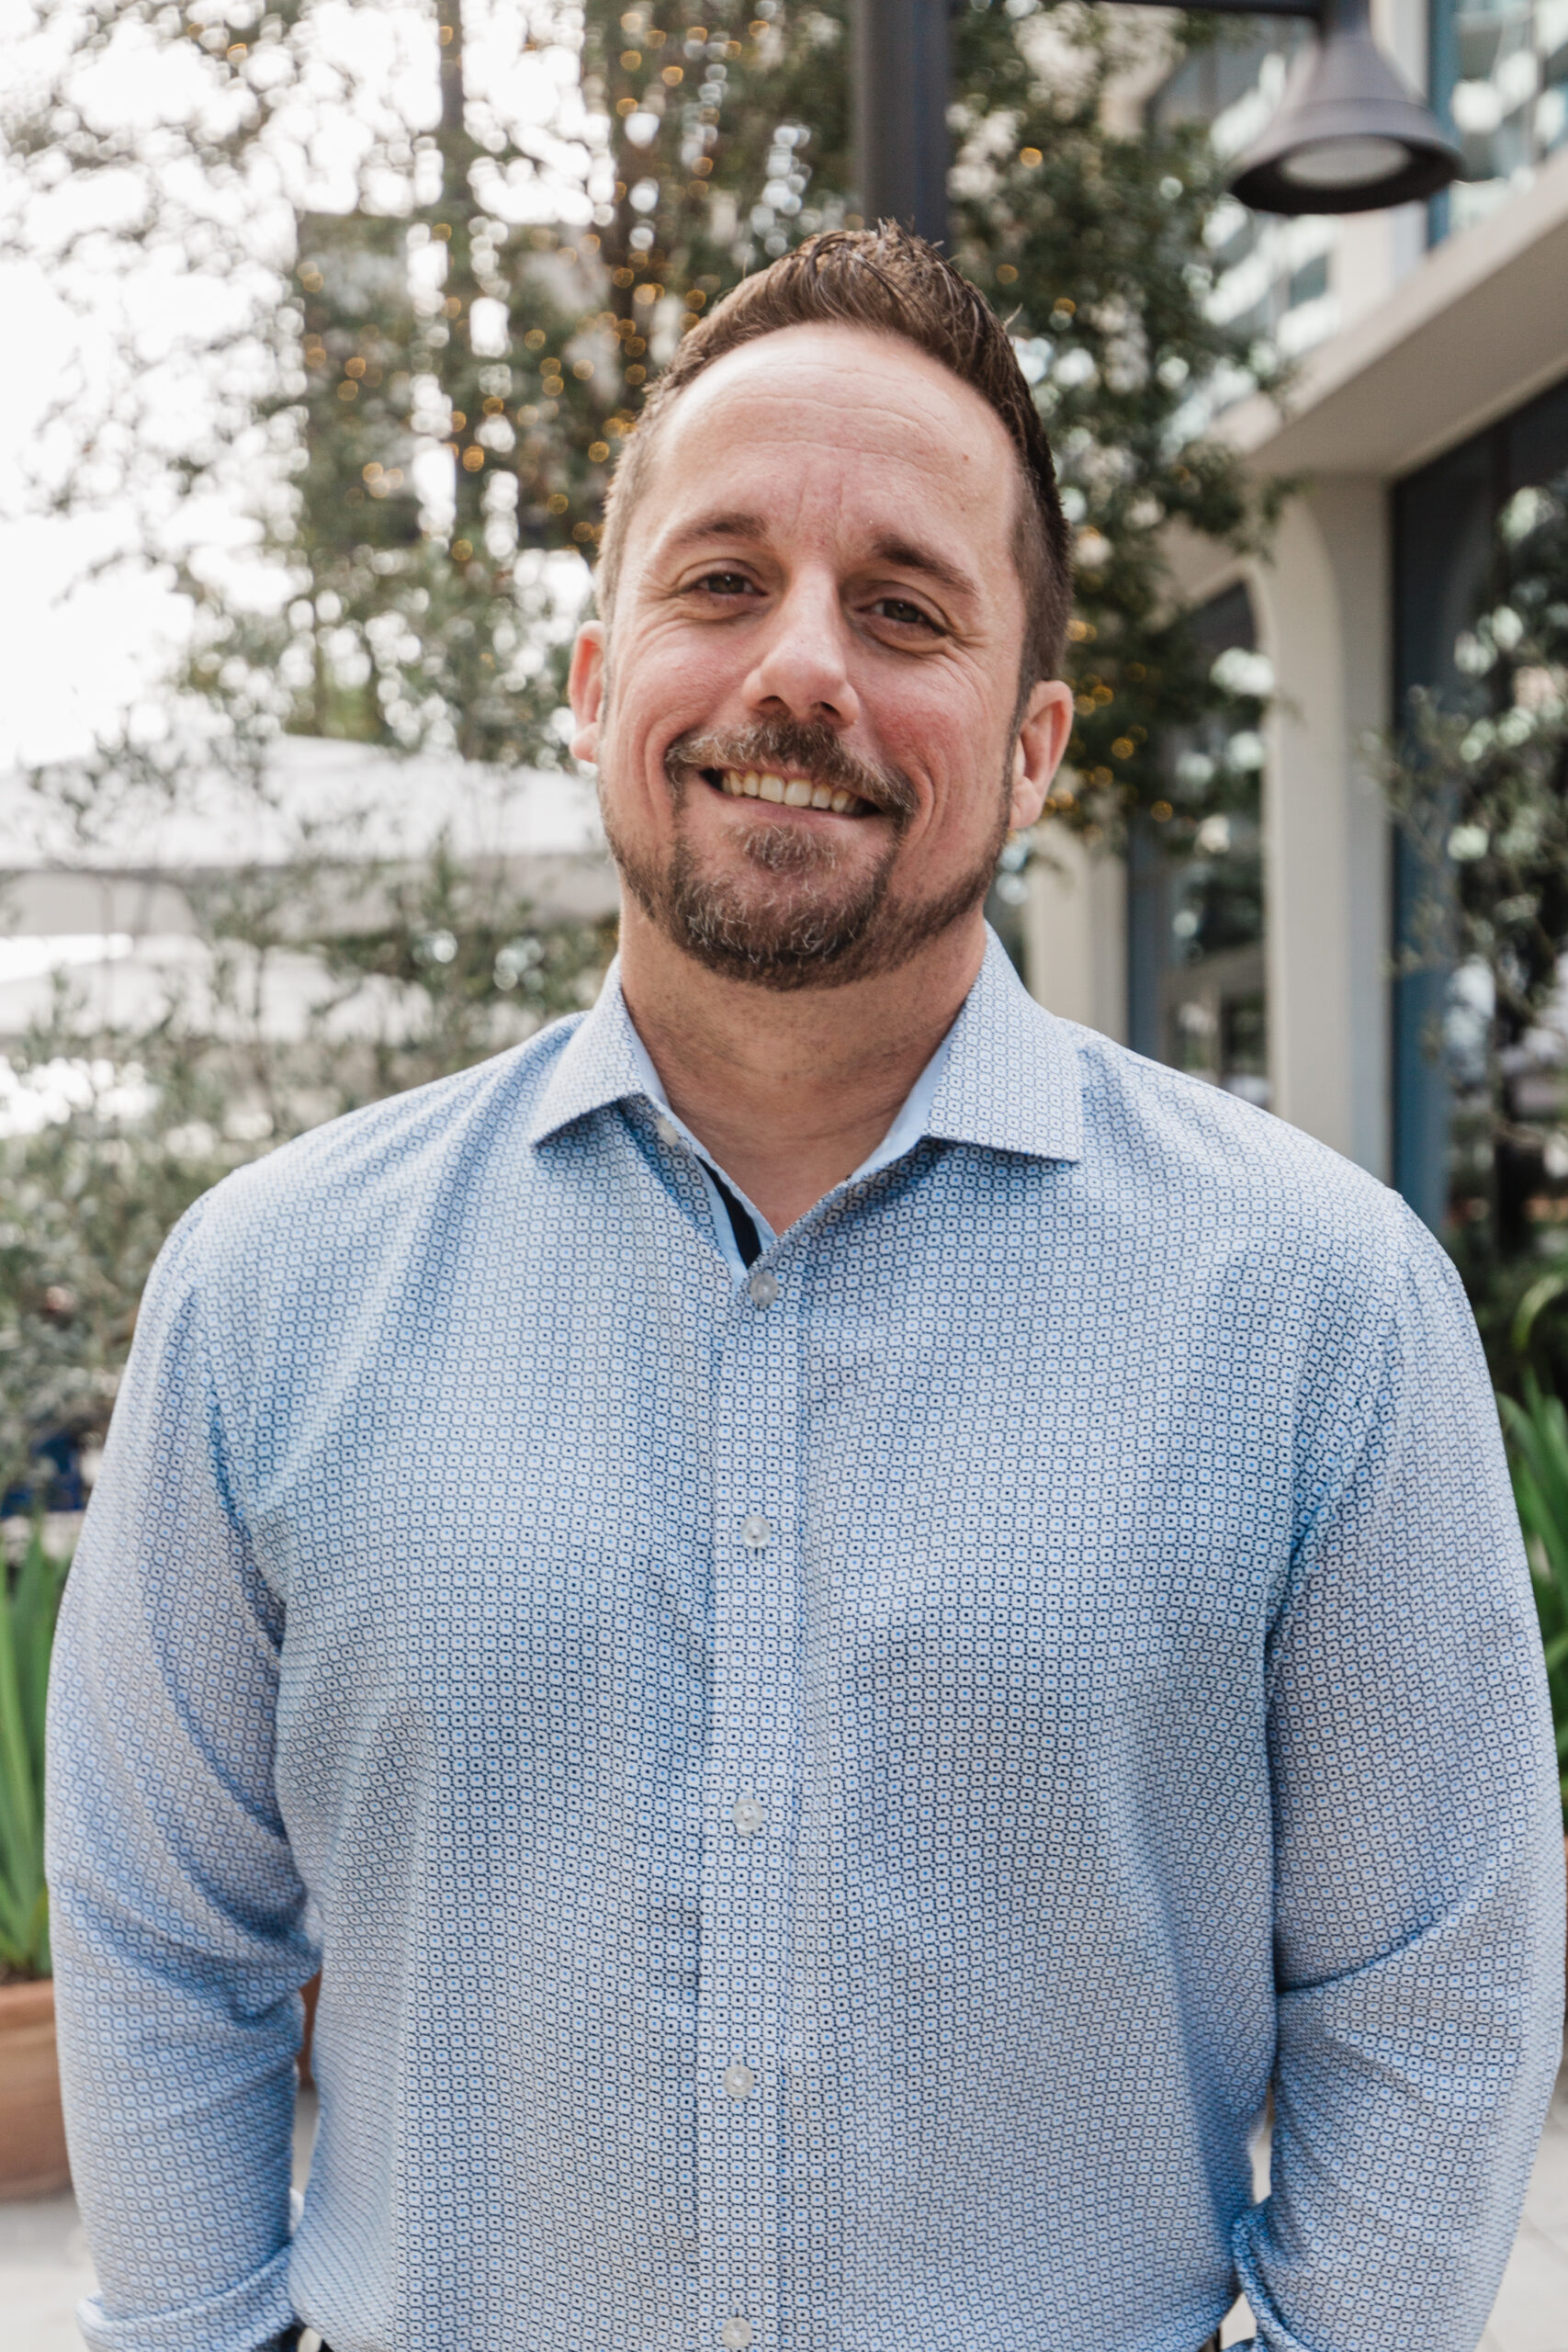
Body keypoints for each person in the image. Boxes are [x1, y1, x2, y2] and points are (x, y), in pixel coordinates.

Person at [48, 227, 1562, 2352]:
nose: (800, 667)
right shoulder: (268, 1295)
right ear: (596, 683)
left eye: (904, 607)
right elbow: (162, 1932)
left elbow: (1430, 1981)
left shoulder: (1320, 1314)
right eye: (720, 578)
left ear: (1030, 746)